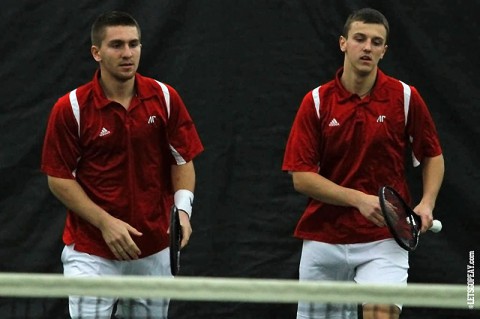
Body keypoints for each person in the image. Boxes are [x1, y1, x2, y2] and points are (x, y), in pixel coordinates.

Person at [282, 8, 444, 319]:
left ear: (384, 51)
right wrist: (358, 200)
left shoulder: (405, 97)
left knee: (381, 314)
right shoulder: (315, 102)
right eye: (360, 39)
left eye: (376, 42)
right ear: (343, 43)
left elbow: (432, 156)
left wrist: (426, 202)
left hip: (384, 235)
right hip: (325, 237)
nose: (367, 47)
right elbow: (301, 177)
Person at [41, 11, 203, 318]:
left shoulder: (165, 98)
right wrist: (106, 223)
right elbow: (59, 178)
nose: (127, 53)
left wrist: (183, 211)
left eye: (134, 44)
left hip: (154, 247)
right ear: (96, 52)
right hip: (92, 250)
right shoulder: (71, 108)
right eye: (116, 45)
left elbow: (182, 159)